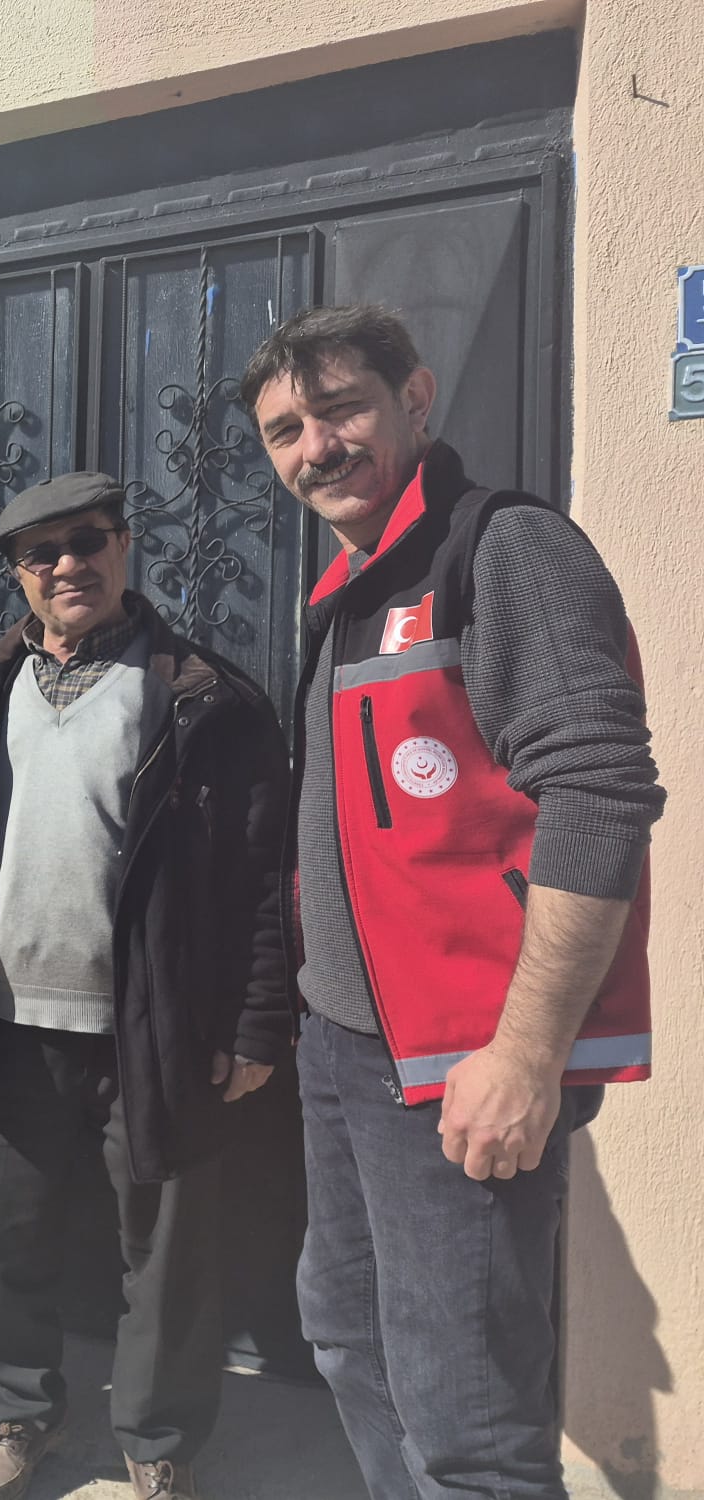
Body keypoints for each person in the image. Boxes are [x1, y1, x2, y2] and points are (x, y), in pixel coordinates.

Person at [241, 303, 663, 1499]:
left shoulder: (501, 550)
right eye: (284, 431)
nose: (315, 447)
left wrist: (523, 1057)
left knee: (465, 1417)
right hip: (346, 1048)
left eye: (340, 410)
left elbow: (597, 793)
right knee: (347, 1336)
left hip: (457, 1060)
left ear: (413, 401)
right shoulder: (353, 583)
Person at [0, 474, 290, 1500]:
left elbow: (260, 878)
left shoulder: (204, 698)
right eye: (43, 553)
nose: (69, 564)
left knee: (166, 1254)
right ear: (17, 576)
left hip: (152, 1033)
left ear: (123, 546)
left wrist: (254, 1023)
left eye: (88, 540)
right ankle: (17, 1412)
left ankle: (157, 1438)